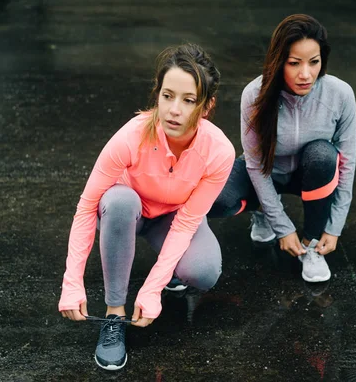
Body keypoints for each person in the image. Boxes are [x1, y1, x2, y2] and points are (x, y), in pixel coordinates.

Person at [58, 43, 235, 371]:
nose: (173, 110)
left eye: (188, 100)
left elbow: (186, 223)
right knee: (120, 199)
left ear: (207, 106)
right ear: (157, 94)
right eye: (167, 96)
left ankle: (167, 276)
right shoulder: (131, 136)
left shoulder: (219, 152)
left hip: (173, 217)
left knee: (203, 272)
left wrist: (153, 288)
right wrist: (72, 282)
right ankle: (114, 315)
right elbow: (86, 208)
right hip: (127, 214)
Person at [209, 14, 356, 283]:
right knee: (216, 198)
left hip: (309, 174)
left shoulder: (341, 94)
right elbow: (254, 164)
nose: (305, 74)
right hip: (267, 170)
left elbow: (347, 165)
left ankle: (311, 246)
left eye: (314, 62)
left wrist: (334, 227)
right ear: (278, 62)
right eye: (294, 63)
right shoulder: (255, 94)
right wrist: (282, 227)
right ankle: (263, 212)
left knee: (324, 156)